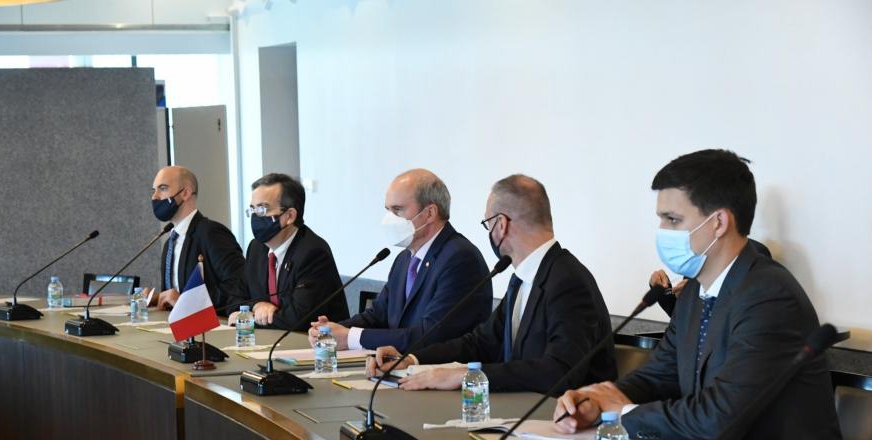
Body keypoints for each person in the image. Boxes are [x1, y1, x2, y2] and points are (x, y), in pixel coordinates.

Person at [553, 149, 848, 440]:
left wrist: (623, 413)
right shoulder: (695, 291)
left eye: (672, 220)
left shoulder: (769, 296)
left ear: (719, 223)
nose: (662, 231)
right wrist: (598, 400)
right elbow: (659, 375)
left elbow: (720, 416)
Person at [372, 174, 617, 394]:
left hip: (565, 420)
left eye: (487, 224)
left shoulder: (567, 281)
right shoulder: (522, 277)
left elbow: (559, 371)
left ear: (501, 224)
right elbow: (481, 343)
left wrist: (466, 376)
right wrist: (411, 359)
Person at [308, 169, 492, 352]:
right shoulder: (404, 258)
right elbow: (378, 316)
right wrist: (331, 330)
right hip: (400, 365)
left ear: (429, 213)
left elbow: (431, 334)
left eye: (397, 210)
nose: (389, 219)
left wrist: (350, 337)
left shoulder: (460, 259)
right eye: (388, 210)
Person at [231, 173, 348, 331]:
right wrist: (258, 305)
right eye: (253, 209)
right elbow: (234, 299)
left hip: (315, 342)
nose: (255, 216)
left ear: (290, 216)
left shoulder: (313, 252)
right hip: (269, 340)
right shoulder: (256, 248)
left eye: (262, 209)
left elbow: (298, 319)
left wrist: (247, 318)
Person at [151, 166, 246, 312]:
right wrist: (158, 298)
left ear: (185, 193)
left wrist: (186, 301)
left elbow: (238, 285)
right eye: (153, 190)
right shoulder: (170, 241)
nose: (155, 196)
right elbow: (175, 293)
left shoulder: (211, 232)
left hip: (211, 323)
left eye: (162, 188)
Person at [649, 238, 772, 317]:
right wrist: (663, 292)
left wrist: (702, 294)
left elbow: (750, 311)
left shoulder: (755, 253)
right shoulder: (696, 254)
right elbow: (684, 320)